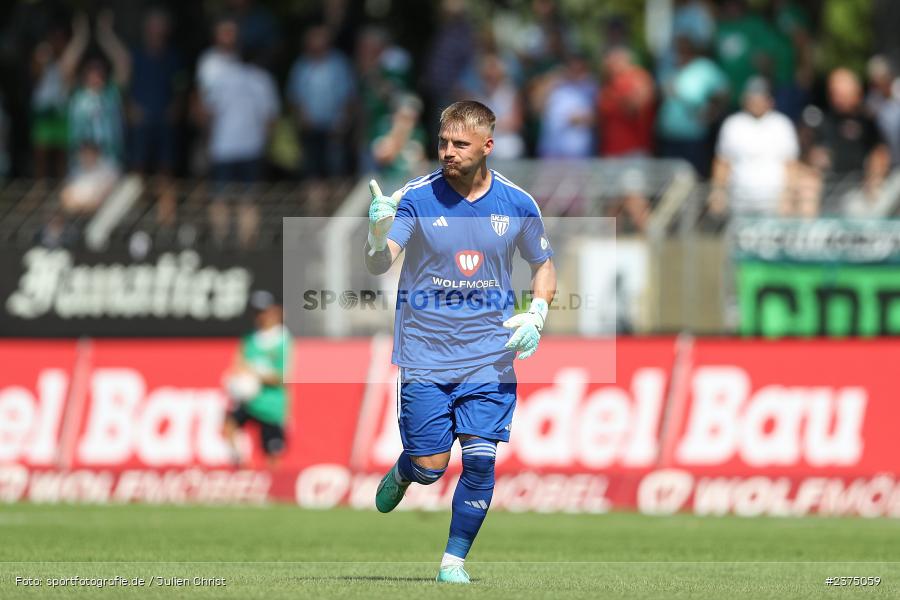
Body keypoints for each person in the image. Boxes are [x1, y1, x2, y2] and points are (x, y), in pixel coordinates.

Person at [364, 101, 557, 584]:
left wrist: (538, 311)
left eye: (460, 144)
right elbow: (379, 262)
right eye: (443, 143)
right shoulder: (417, 196)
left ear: (488, 146)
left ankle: (454, 562)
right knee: (432, 466)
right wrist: (376, 233)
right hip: (426, 353)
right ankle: (407, 469)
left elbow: (543, 264)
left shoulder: (517, 203)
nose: (447, 152)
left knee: (479, 459)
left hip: (491, 356)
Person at [708, 78, 799, 217]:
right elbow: (722, 162)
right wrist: (718, 193)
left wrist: (788, 197)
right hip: (739, 200)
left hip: (773, 202)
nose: (756, 102)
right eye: (752, 98)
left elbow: (791, 165)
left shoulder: (782, 125)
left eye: (760, 97)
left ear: (769, 100)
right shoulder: (732, 124)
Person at [222, 290, 292, 468]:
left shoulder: (283, 340)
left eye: (262, 311)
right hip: (249, 402)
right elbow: (237, 366)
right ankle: (243, 466)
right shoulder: (249, 339)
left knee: (272, 455)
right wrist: (236, 380)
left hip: (271, 406)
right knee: (228, 426)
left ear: (274, 311)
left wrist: (256, 374)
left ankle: (274, 490)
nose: (259, 316)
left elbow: (283, 377)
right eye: (256, 311)